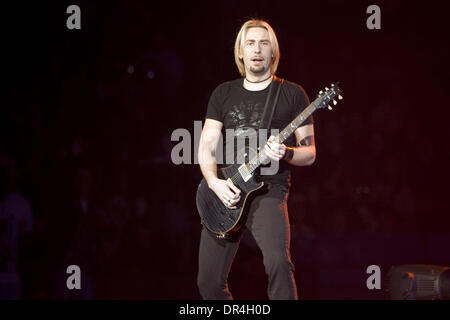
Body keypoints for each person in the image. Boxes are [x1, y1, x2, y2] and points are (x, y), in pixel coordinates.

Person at [197, 19, 316, 300]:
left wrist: (286, 152)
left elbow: (309, 152)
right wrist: (214, 183)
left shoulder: (292, 93)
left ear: (273, 51)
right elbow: (206, 146)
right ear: (240, 52)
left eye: (264, 43)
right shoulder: (223, 93)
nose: (257, 49)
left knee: (278, 264)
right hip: (227, 191)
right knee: (208, 282)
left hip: (268, 191)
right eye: (250, 43)